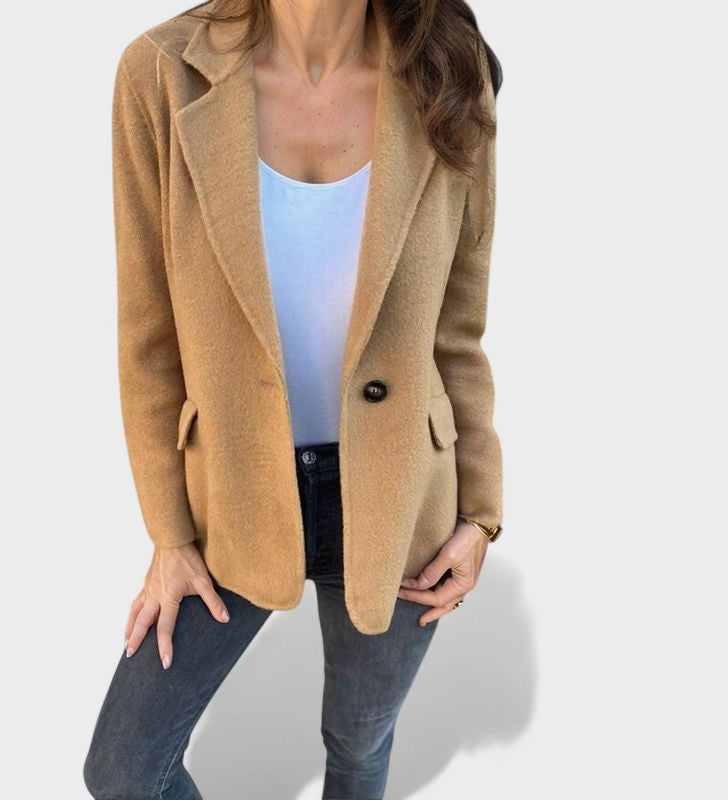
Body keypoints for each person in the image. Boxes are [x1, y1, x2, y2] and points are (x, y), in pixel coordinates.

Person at [83, 0, 504, 797]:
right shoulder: (161, 74)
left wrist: (481, 515)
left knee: (359, 746)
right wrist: (169, 535)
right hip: (230, 495)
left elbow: (458, 330)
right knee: (124, 769)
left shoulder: (449, 70)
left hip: (402, 501)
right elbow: (148, 336)